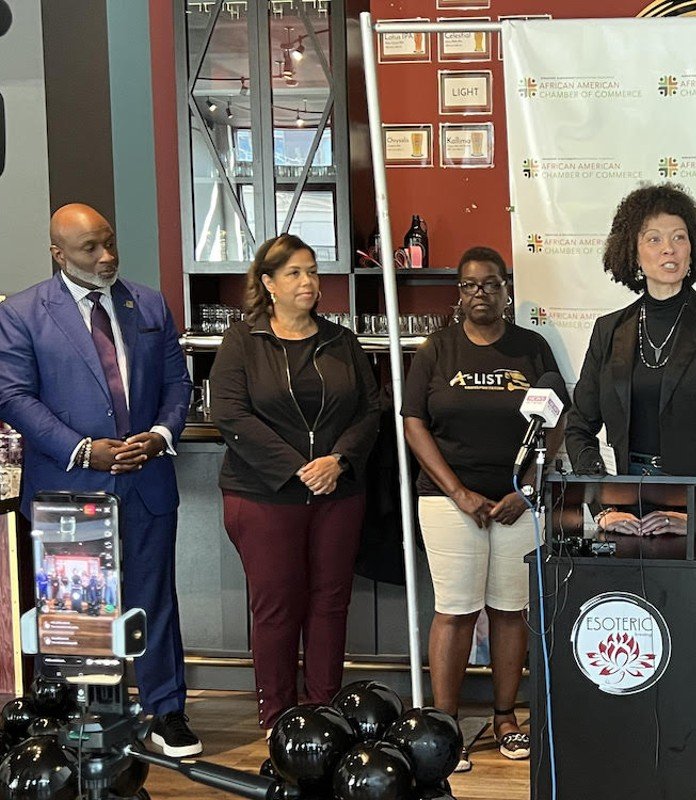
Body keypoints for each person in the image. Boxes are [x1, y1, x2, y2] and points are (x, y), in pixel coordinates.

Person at [0, 203, 201, 756]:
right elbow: (13, 396)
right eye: (91, 248)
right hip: (70, 488)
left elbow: (176, 385)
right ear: (59, 254)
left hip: (147, 478)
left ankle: (167, 712)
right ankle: (77, 722)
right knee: (75, 611)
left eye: (109, 242)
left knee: (153, 599)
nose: (107, 256)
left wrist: (161, 434)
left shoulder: (150, 303)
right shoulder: (22, 313)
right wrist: (83, 450)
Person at [210, 234, 380, 732]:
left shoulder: (341, 340)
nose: (308, 282)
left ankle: (325, 712)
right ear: (268, 283)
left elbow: (370, 410)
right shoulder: (243, 341)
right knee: (277, 606)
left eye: (312, 271)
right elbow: (230, 412)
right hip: (263, 495)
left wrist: (338, 461)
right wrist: (294, 466)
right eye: (294, 273)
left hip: (338, 492)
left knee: (330, 602)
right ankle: (279, 717)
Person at [403, 246, 564, 771]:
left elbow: (559, 420)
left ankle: (504, 718)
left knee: (509, 611)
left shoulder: (532, 348)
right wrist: (458, 492)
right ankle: (443, 728)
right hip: (451, 501)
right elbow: (414, 423)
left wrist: (530, 486)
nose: (480, 294)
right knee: (454, 611)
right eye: (470, 285)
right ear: (458, 293)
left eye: (490, 285)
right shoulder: (436, 349)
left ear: (505, 290)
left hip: (518, 501)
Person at [565, 183, 696, 536]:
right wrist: (602, 504)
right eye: (653, 239)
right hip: (625, 508)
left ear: (693, 249)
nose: (668, 249)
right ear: (634, 253)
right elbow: (580, 426)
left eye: (679, 237)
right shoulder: (608, 330)